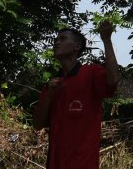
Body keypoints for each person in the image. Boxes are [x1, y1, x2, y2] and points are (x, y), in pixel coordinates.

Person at [33, 20, 120, 169]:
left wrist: (106, 40)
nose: (56, 43)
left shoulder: (91, 73)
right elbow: (37, 124)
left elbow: (113, 80)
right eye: (55, 40)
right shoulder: (52, 84)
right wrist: (48, 96)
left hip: (83, 164)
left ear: (77, 47)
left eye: (62, 39)